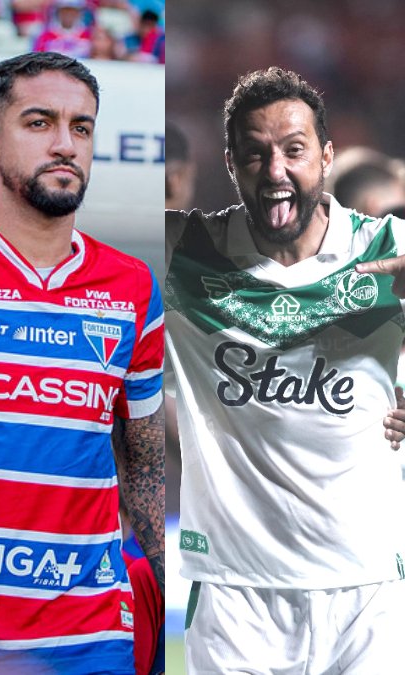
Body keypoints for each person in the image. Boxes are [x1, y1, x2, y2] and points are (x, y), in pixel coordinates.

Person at [0, 51, 165, 674]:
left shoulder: (134, 286)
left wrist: (171, 584)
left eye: (80, 128)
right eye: (39, 123)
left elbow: (143, 460)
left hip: (90, 635)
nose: (65, 144)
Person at [166, 67, 405, 672]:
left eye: (294, 150)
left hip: (367, 595)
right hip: (233, 598)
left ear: (325, 157)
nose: (276, 171)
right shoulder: (186, 256)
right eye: (255, 153)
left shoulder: (388, 251)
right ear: (231, 164)